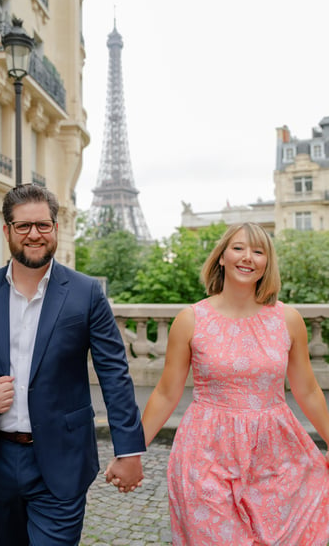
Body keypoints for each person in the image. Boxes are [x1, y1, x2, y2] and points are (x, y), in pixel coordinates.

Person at [0, 183, 145, 546]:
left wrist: (128, 450)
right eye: (23, 226)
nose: (34, 234)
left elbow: (114, 374)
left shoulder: (86, 293)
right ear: (7, 231)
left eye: (43, 225)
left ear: (56, 229)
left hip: (63, 458)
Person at [139, 222, 329, 545]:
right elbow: (166, 393)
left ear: (267, 263)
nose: (248, 257)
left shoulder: (288, 320)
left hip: (275, 455)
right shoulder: (190, 320)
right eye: (238, 248)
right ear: (222, 257)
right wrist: (131, 451)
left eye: (259, 251)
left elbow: (308, 390)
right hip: (206, 453)